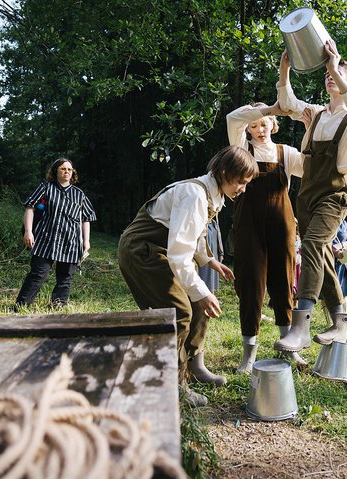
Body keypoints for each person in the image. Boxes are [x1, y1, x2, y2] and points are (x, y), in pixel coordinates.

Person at [118, 145, 256, 407]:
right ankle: (174, 384)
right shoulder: (194, 194)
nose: (243, 188)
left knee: (201, 305)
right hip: (143, 250)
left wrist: (209, 261)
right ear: (225, 172)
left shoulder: (213, 193)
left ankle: (194, 366)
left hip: (163, 249)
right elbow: (179, 254)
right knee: (179, 311)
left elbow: (195, 234)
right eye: (241, 182)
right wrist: (200, 291)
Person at [274, 40, 347, 354]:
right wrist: (285, 69)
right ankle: (340, 320)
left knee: (314, 245)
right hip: (306, 194)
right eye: (329, 73)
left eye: (338, 73)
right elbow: (287, 102)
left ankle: (300, 326)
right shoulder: (316, 114)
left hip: (334, 193)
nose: (330, 76)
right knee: (324, 254)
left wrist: (333, 63)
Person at [226, 101, 305, 373]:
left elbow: (313, 167)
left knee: (284, 282)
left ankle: (287, 345)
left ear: (274, 124)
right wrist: (266, 108)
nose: (261, 128)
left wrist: (309, 123)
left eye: (265, 122)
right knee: (250, 285)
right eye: (255, 124)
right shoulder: (241, 149)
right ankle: (249, 353)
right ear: (248, 128)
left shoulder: (288, 153)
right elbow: (232, 117)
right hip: (248, 225)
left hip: (282, 225)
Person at [15, 158, 96, 309]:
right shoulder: (46, 188)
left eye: (69, 170)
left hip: (70, 243)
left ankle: (57, 307)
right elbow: (30, 207)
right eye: (62, 169)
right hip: (45, 239)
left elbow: (86, 218)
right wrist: (28, 231)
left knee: (65, 278)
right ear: (55, 171)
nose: (66, 172)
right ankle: (21, 306)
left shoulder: (79, 194)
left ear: (73, 173)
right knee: (38, 274)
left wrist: (86, 241)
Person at [332, 219, 347, 313]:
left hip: (342, 261)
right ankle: (330, 321)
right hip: (329, 259)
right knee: (329, 291)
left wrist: (340, 245)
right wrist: (334, 249)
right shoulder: (327, 219)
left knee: (343, 291)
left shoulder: (344, 223)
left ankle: (344, 317)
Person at [197, 217, 224, 293]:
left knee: (212, 275)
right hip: (202, 255)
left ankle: (211, 293)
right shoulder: (199, 223)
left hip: (213, 254)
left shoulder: (213, 223)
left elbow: (218, 237)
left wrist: (221, 253)